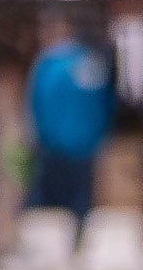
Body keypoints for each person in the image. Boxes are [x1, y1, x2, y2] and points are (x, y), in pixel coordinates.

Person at [26, 16, 116, 219]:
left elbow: (37, 105)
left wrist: (37, 139)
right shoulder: (92, 61)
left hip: (55, 145)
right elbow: (106, 102)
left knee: (53, 207)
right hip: (88, 144)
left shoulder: (47, 64)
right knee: (82, 200)